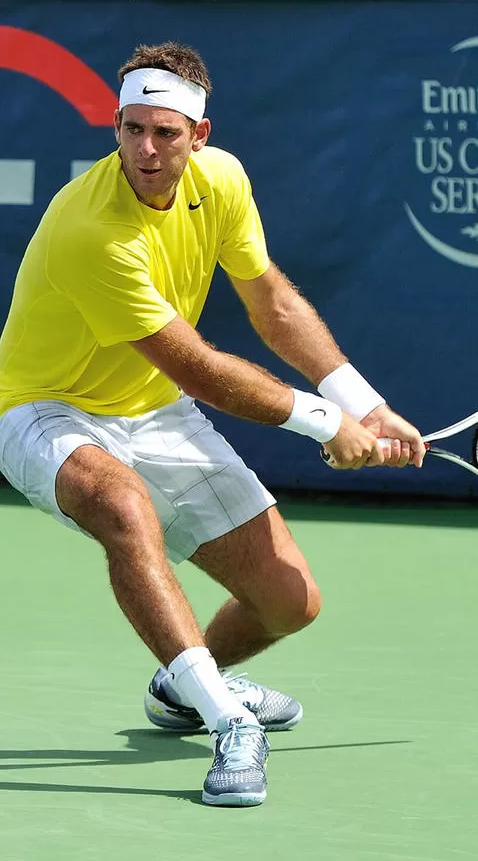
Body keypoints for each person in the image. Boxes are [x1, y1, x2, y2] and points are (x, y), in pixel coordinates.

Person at [0, 41, 426, 808]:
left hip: (149, 405)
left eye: (166, 133)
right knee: (123, 508)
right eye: (133, 130)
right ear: (117, 127)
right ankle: (229, 718)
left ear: (200, 136)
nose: (147, 150)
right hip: (42, 406)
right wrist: (327, 423)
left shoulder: (222, 180)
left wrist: (362, 404)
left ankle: (180, 686)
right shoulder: (90, 228)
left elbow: (274, 303)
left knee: (288, 602)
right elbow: (197, 368)